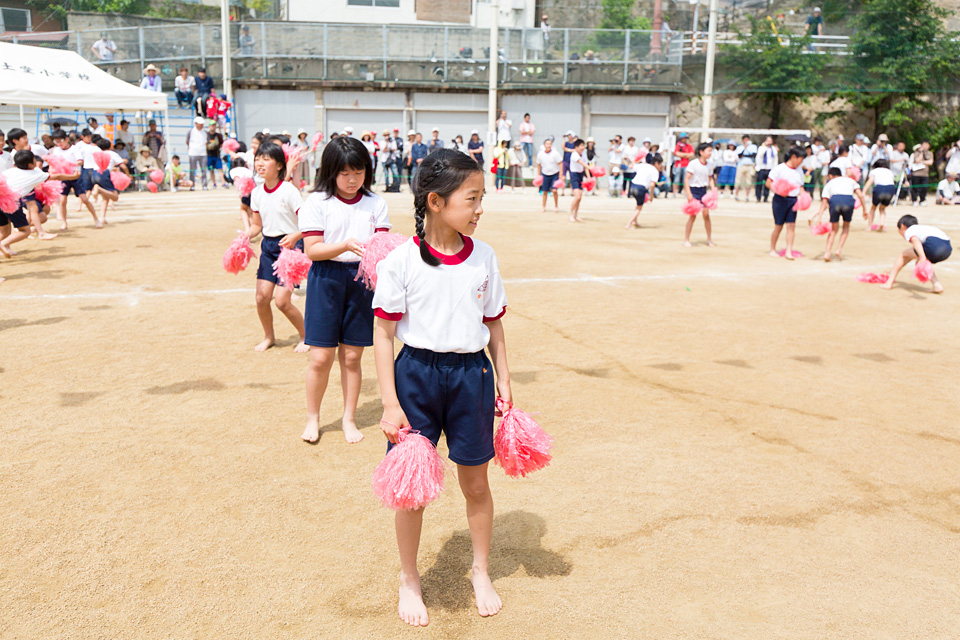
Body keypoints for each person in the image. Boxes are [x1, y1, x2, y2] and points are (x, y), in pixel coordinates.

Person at [372, 148, 510, 627]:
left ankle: (480, 570)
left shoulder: (484, 256)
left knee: (476, 483)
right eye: (472, 198)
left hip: (472, 377)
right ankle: (409, 578)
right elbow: (383, 334)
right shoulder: (401, 261)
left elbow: (494, 324)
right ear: (435, 201)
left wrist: (505, 380)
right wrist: (390, 403)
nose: (479, 209)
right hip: (416, 378)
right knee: (412, 491)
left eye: (481, 198)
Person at [298, 136, 391, 444]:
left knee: (352, 357)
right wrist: (346, 245)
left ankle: (349, 418)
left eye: (359, 172)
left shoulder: (376, 203)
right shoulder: (317, 202)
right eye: (345, 173)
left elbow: (381, 245)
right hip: (326, 279)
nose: (353, 180)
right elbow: (313, 250)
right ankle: (313, 418)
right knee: (320, 358)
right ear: (331, 172)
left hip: (362, 281)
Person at [247, 142, 307, 352]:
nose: (260, 164)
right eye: (257, 159)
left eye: (266, 159)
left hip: (290, 248)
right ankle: (269, 337)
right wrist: (245, 236)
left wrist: (295, 236)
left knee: (282, 301)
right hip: (269, 247)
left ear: (280, 165)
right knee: (261, 298)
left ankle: (305, 336)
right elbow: (257, 225)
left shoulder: (289, 191)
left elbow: (307, 223)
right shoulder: (256, 193)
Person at [1, 150, 74, 253]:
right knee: (25, 231)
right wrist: (74, 176)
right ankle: (3, 244)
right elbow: (57, 176)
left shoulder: (10, 171)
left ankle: (5, 245)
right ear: (30, 164)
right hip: (11, 202)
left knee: (5, 229)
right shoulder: (35, 175)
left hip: (1, 199)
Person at [881, 215, 951, 293]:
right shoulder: (922, 228)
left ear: (902, 226)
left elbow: (915, 241)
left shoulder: (909, 230)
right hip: (947, 249)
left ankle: (889, 283)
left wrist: (922, 256)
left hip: (934, 245)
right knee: (917, 261)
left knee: (903, 255)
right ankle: (937, 285)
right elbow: (910, 256)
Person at [814, 167, 867, 261]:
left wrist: (819, 218)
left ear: (830, 176)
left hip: (835, 201)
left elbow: (824, 201)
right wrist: (864, 210)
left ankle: (827, 252)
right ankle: (839, 249)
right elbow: (861, 195)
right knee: (846, 226)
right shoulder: (850, 181)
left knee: (833, 229)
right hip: (848, 201)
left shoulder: (829, 183)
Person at [49, 130, 99, 229]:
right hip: (63, 177)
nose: (59, 144)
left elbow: (80, 161)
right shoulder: (56, 150)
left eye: (61, 141)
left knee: (84, 199)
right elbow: (53, 162)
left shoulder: (74, 149)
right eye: (56, 142)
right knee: (63, 201)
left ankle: (96, 218)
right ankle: (64, 222)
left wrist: (68, 164)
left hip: (75, 176)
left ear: (66, 139)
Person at [765, 146, 806, 259]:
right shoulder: (779, 169)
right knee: (778, 226)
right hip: (780, 200)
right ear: (793, 157)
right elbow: (768, 183)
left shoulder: (799, 171)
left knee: (791, 226)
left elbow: (801, 186)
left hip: (793, 200)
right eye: (800, 160)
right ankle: (772, 249)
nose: (801, 163)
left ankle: (789, 251)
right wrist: (779, 190)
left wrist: (804, 196)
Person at [682, 142, 716, 248]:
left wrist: (713, 189)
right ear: (701, 152)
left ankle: (709, 239)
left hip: (703, 191)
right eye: (708, 151)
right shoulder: (693, 163)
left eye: (711, 151)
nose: (710, 153)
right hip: (694, 191)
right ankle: (687, 239)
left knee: (706, 215)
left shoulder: (709, 164)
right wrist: (688, 194)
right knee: (692, 216)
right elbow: (686, 179)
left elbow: (710, 178)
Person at [88, 138, 126, 224]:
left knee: (105, 198)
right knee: (115, 197)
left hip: (94, 174)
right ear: (110, 146)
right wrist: (128, 175)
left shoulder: (97, 154)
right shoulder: (112, 153)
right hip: (104, 174)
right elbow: (123, 166)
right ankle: (99, 189)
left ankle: (102, 218)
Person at [626, 154, 663, 229]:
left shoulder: (643, 165)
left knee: (638, 205)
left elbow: (631, 166)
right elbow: (652, 185)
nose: (661, 166)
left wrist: (633, 160)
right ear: (656, 163)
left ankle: (635, 221)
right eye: (660, 164)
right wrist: (651, 197)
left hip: (632, 186)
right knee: (639, 207)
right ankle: (628, 224)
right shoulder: (655, 171)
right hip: (640, 188)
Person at [863, 159, 897, 229]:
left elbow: (870, 181)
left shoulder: (874, 171)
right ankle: (882, 223)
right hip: (890, 189)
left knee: (873, 208)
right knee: (882, 208)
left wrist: (863, 192)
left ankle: (869, 226)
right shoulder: (890, 171)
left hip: (880, 188)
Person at [536, 138, 562, 212]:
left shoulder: (555, 153)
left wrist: (560, 175)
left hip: (555, 174)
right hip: (545, 174)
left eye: (550, 144)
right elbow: (539, 165)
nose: (548, 145)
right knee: (545, 191)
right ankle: (543, 207)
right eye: (547, 144)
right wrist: (538, 175)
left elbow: (560, 163)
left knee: (554, 190)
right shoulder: (540, 154)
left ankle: (556, 206)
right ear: (544, 145)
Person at [186, 117, 208, 190]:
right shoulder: (191, 131)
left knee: (204, 170)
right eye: (200, 124)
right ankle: (192, 185)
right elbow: (187, 141)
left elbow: (206, 142)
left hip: (203, 153)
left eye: (202, 124)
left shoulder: (205, 132)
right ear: (196, 123)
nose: (201, 125)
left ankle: (204, 185)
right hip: (193, 153)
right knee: (192, 170)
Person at [568, 138, 587, 223]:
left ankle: (576, 215)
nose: (583, 147)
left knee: (580, 197)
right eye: (581, 146)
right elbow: (581, 162)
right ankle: (570, 214)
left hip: (580, 175)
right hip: (574, 175)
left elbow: (585, 167)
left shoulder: (584, 154)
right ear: (576, 147)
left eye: (583, 145)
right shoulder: (574, 154)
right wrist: (590, 167)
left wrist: (589, 177)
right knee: (577, 196)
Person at [909, 141, 934, 206]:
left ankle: (922, 200)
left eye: (927, 145)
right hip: (916, 173)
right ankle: (914, 200)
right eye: (924, 145)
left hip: (925, 174)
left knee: (924, 188)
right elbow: (917, 160)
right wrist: (921, 153)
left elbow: (930, 162)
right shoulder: (916, 153)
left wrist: (922, 162)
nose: (925, 146)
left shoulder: (929, 153)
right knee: (915, 187)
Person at [734, 135, 757, 202]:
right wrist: (745, 148)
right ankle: (736, 195)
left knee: (748, 182)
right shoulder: (739, 147)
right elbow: (739, 155)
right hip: (741, 165)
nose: (746, 141)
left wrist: (745, 154)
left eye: (747, 139)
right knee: (738, 181)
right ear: (743, 140)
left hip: (750, 165)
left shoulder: (753, 147)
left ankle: (747, 196)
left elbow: (753, 155)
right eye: (745, 139)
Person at [754, 136, 778, 202]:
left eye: (770, 140)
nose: (769, 142)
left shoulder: (773, 149)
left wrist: (775, 168)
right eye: (768, 140)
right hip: (761, 168)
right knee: (759, 184)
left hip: (770, 168)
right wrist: (765, 146)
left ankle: (766, 197)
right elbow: (759, 155)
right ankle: (758, 197)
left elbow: (775, 159)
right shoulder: (761, 148)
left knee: (767, 184)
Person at [671, 132, 693, 197]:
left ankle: (686, 193)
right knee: (676, 179)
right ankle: (674, 193)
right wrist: (686, 155)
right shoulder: (677, 146)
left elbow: (691, 154)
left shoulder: (689, 146)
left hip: (686, 164)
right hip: (678, 164)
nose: (685, 139)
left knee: (685, 179)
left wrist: (682, 155)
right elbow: (676, 153)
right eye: (684, 138)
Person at [205, 121, 224, 188]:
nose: (213, 127)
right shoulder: (206, 135)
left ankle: (223, 183)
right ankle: (214, 183)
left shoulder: (218, 135)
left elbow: (222, 144)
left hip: (217, 155)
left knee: (220, 169)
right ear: (209, 126)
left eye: (214, 125)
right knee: (211, 170)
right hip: (209, 156)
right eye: (212, 125)